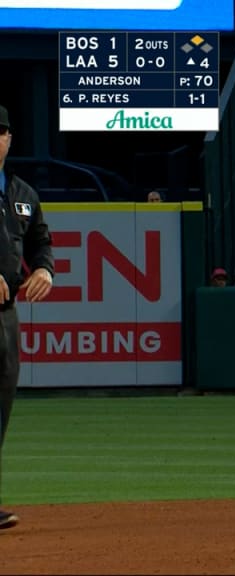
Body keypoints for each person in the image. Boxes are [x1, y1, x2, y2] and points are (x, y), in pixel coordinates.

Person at [0, 105, 55, 530]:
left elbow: (40, 240)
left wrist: (44, 269)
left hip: (5, 317)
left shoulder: (22, 194)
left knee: (1, 404)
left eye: (0, 131)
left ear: (9, 139)